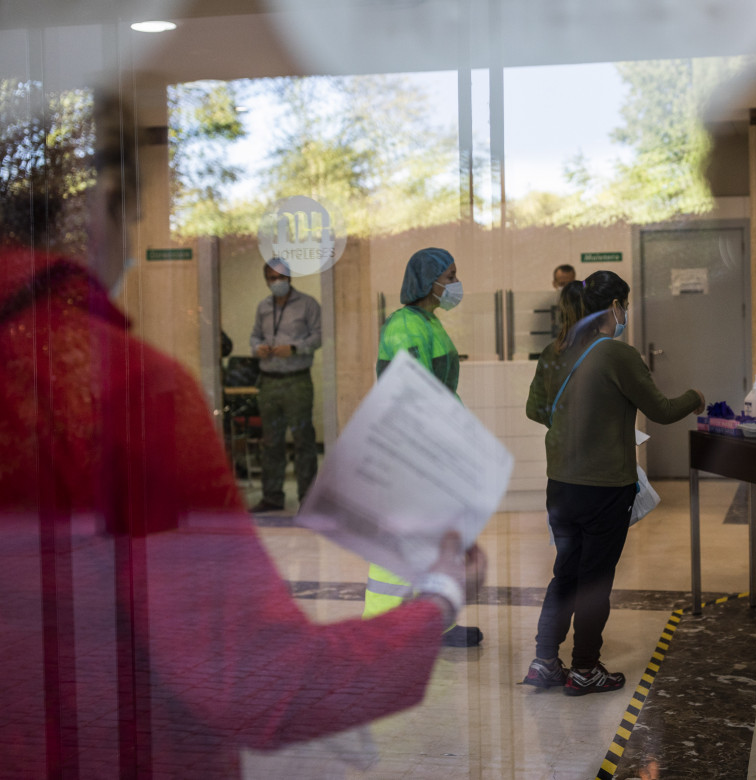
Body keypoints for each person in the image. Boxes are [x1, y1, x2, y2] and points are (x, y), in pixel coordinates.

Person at [0, 90, 486, 777]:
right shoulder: (123, 393)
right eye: (137, 215)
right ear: (99, 205)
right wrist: (439, 597)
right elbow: (255, 678)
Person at [523, 271, 704, 695]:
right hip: (604, 488)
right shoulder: (616, 354)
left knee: (565, 573)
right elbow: (660, 410)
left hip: (561, 484)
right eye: (625, 305)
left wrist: (573, 423)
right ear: (615, 307)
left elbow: (535, 409)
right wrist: (693, 397)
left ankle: (545, 660)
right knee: (595, 579)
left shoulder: (556, 349)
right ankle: (586, 668)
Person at [366, 247, 483, 648]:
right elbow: (412, 395)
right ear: (427, 281)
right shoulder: (403, 326)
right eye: (449, 276)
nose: (454, 284)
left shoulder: (428, 322)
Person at [248, 258, 322, 513]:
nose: (277, 282)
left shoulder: (308, 304)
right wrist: (257, 347)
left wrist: (293, 349)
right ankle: (272, 497)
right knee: (271, 442)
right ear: (265, 280)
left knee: (303, 440)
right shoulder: (263, 307)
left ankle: (308, 499)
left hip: (297, 379)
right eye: (272, 278)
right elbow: (255, 335)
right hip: (269, 381)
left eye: (281, 277)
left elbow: (318, 336)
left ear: (290, 277)